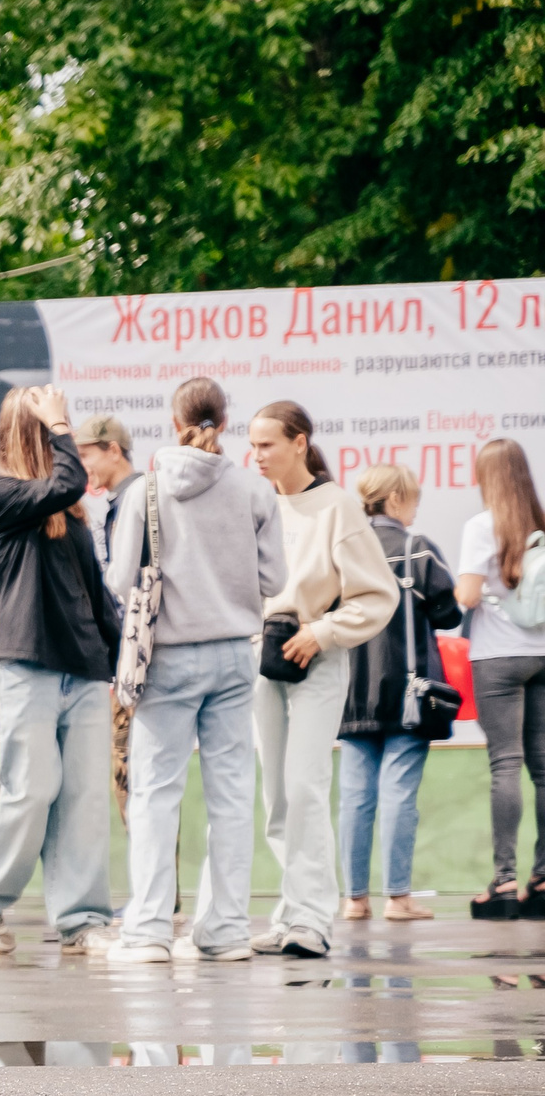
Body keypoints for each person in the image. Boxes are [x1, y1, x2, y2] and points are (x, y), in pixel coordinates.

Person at [101, 378, 286, 964]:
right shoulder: (254, 490)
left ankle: (149, 931)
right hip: (234, 655)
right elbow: (276, 580)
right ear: (225, 423)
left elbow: (119, 580)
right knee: (232, 796)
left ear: (173, 422)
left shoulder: (147, 490)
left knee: (156, 795)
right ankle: (225, 931)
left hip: (169, 657)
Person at [0, 384, 120, 956]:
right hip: (28, 662)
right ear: (35, 431)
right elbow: (69, 481)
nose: (62, 431)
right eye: (51, 426)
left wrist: (118, 661)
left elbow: (94, 590)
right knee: (30, 788)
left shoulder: (70, 512)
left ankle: (82, 920)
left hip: (83, 666)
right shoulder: (0, 494)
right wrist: (60, 425)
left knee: (84, 798)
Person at [247, 399, 397, 957]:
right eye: (252, 444)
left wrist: (323, 632)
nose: (256, 455)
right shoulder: (257, 504)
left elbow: (377, 595)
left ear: (299, 443)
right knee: (276, 795)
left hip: (316, 658)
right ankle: (292, 912)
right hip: (262, 658)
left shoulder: (337, 507)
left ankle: (312, 919)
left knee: (305, 786)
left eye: (266, 444)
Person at [340, 463, 457, 922]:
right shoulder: (417, 549)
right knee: (398, 793)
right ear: (395, 499)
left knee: (354, 796)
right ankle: (398, 898)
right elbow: (448, 613)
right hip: (410, 693)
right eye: (413, 500)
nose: (415, 510)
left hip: (352, 693)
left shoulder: (344, 548)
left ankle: (354, 899)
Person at [453, 438, 545, 917]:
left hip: (498, 657)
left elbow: (467, 596)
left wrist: (460, 591)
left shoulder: (481, 526)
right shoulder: (540, 525)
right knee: (543, 769)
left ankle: (504, 881)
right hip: (542, 654)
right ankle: (543, 879)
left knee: (505, 764)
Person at [74, 414, 139, 566]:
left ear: (114, 451)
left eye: (84, 456)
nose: (80, 465)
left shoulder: (136, 498)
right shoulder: (127, 497)